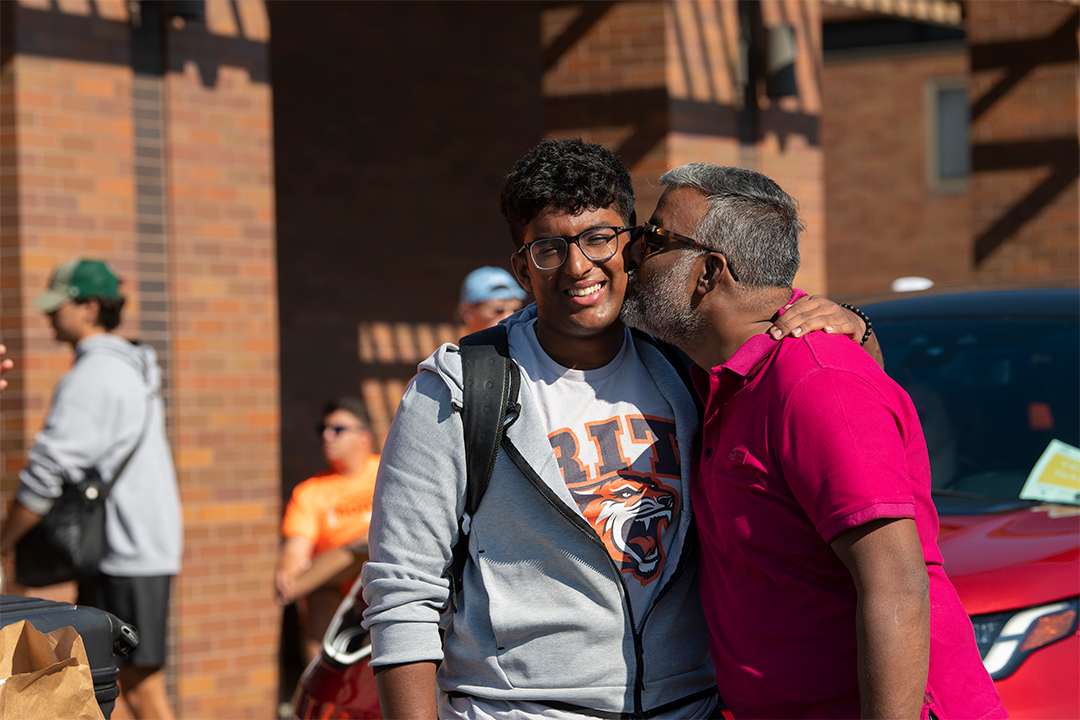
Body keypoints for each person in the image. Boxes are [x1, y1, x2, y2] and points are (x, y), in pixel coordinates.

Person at [360, 139, 872, 719]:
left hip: (692, 707)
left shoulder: (688, 362)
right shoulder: (460, 387)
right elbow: (402, 590)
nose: (579, 267)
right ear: (522, 269)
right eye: (550, 249)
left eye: (599, 238)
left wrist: (856, 323)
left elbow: (821, 380)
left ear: (631, 246)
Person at [620, 164, 1005, 719]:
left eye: (654, 238)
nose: (634, 253)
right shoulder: (721, 377)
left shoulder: (817, 383)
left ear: (708, 272)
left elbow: (896, 583)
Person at [0, 258, 183, 720]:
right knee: (106, 681)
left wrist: (5, 539)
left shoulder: (94, 376)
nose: (48, 316)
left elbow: (48, 470)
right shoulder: (131, 368)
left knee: (140, 689)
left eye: (59, 305)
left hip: (127, 554)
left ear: (89, 308)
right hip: (131, 549)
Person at [275, 396, 380, 665]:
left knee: (371, 542)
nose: (327, 435)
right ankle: (321, 683)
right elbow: (292, 566)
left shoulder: (386, 471)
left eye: (338, 429)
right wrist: (291, 579)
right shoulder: (310, 491)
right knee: (319, 594)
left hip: (381, 577)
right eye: (322, 428)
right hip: (335, 592)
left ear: (364, 437)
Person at [457, 265, 527, 334]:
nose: (509, 317)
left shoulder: (526, 344)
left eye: (516, 310)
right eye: (498, 311)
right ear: (467, 311)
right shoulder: (450, 345)